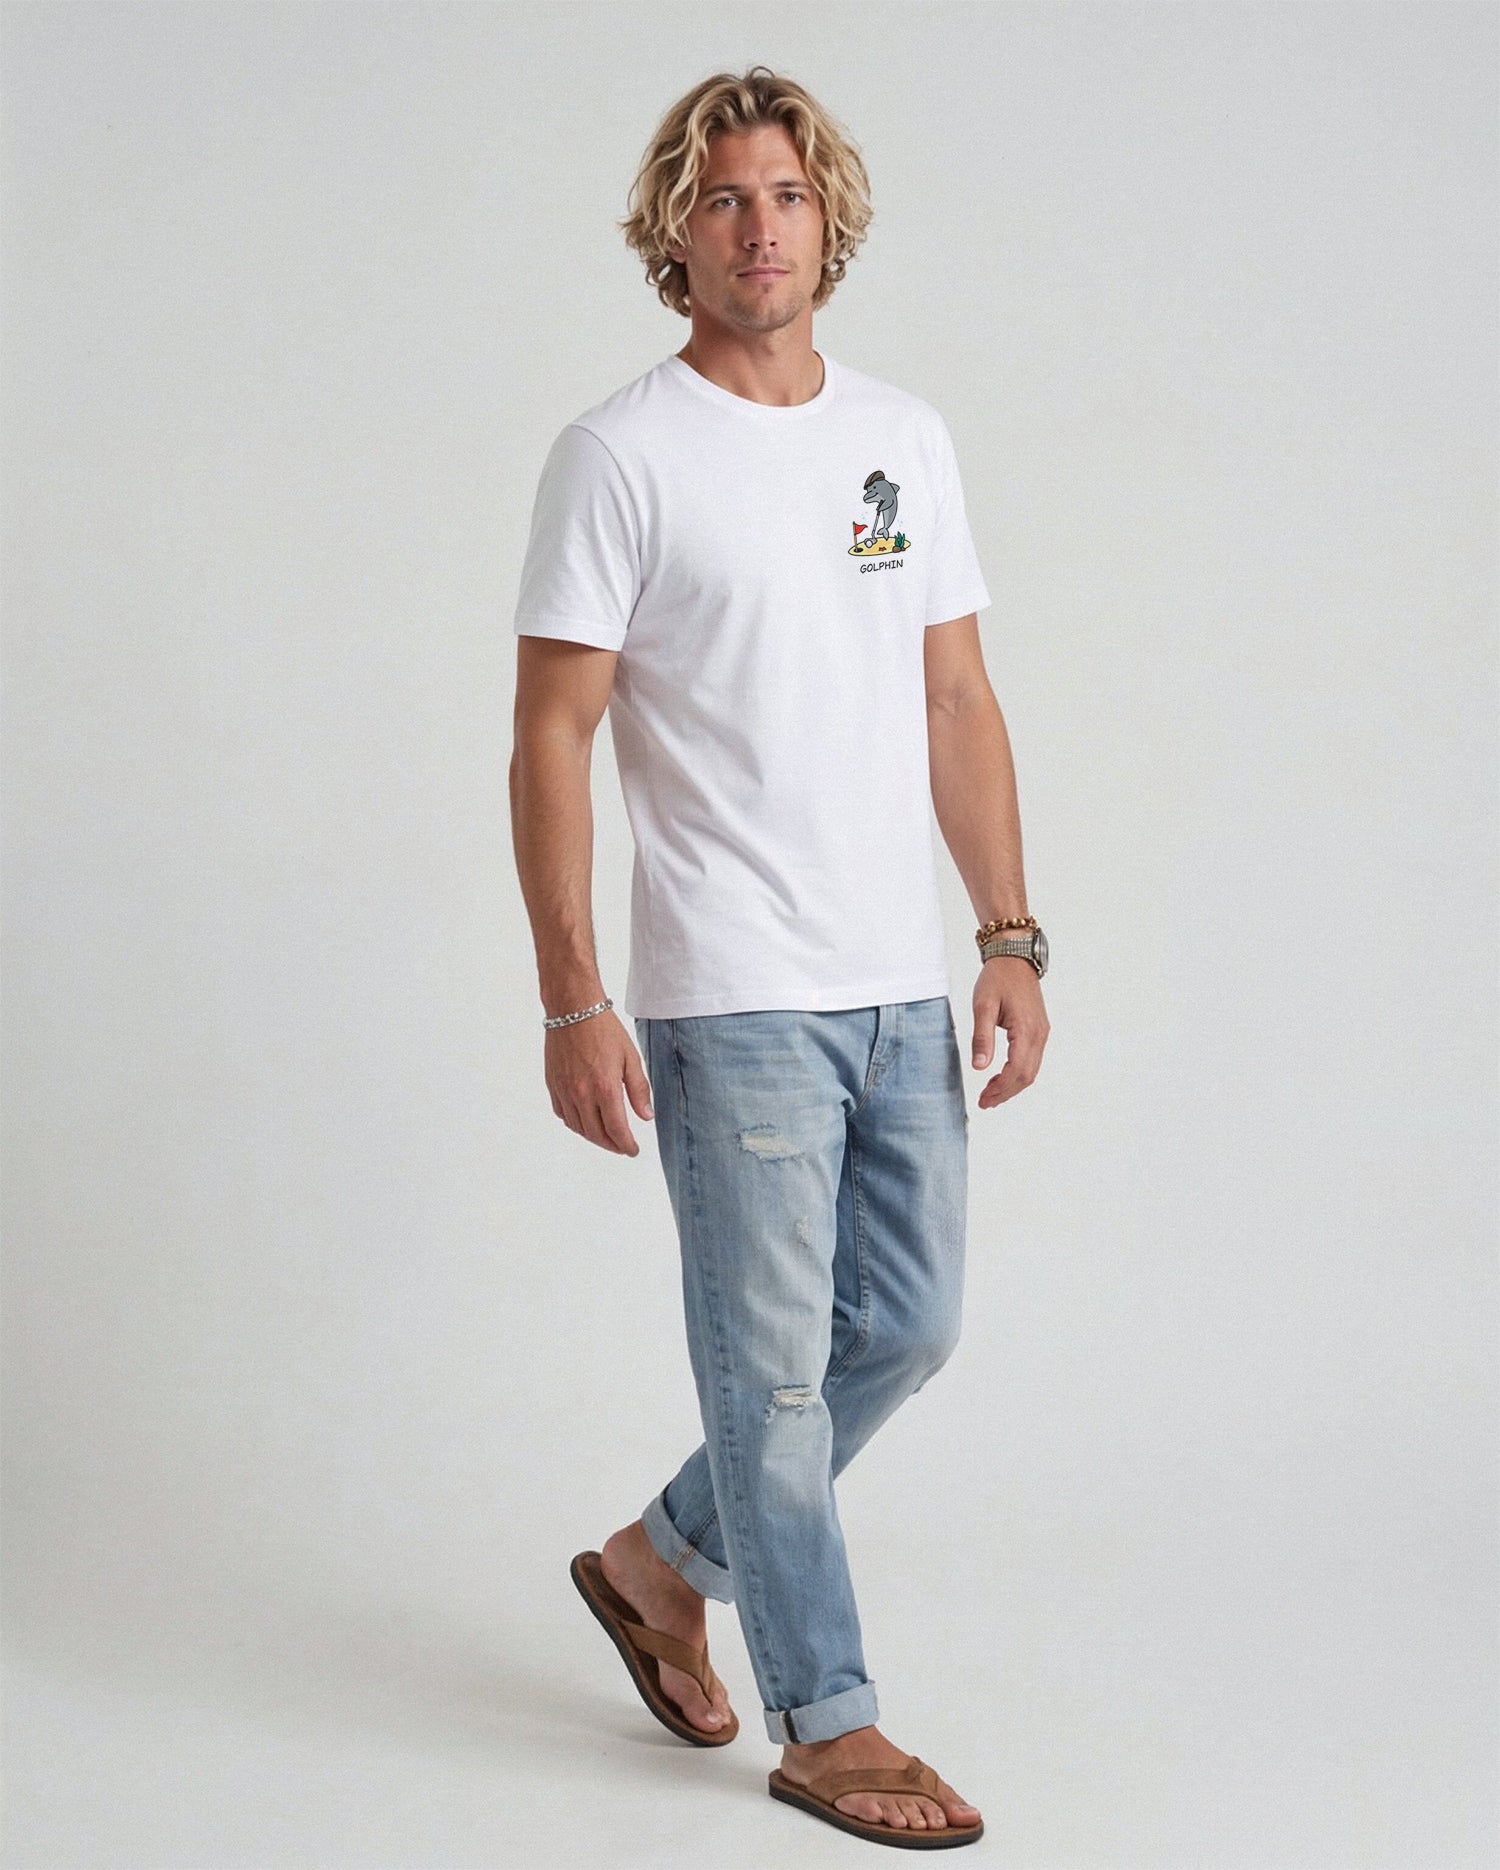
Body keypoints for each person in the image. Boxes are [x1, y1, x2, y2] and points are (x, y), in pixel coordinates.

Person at [509, 64, 1048, 1850]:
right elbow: (552, 732)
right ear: (675, 230)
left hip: (899, 979)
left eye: (789, 197)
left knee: (910, 1323)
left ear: (832, 221)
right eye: (726, 199)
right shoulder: (621, 454)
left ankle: (657, 1562)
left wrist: (1009, 931)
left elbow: (956, 695)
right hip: (729, 991)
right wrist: (572, 993)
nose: (761, 229)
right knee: (778, 1381)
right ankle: (832, 1718)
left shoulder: (904, 435)